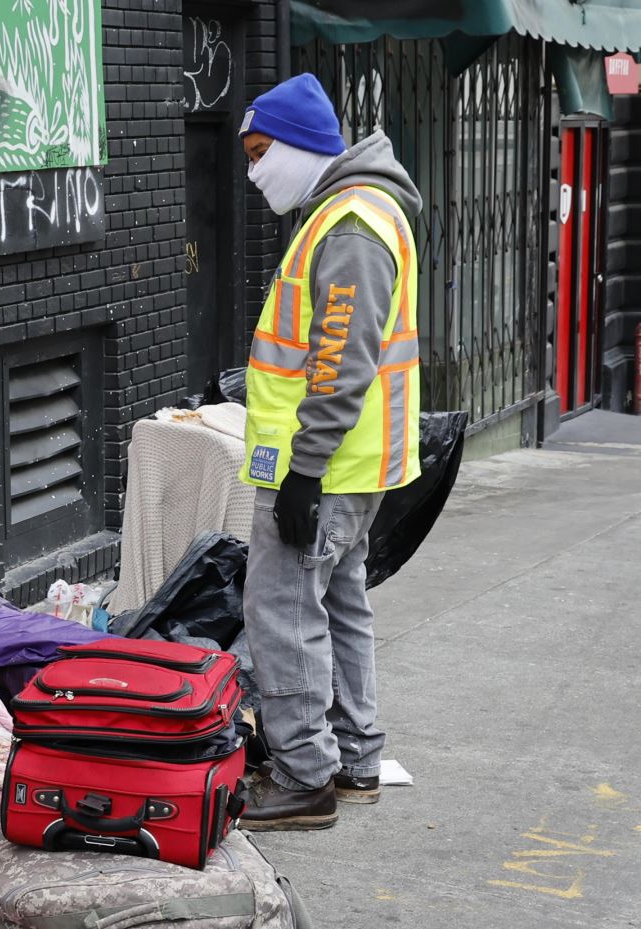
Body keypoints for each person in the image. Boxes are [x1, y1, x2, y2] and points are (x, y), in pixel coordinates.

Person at [233, 74, 423, 831]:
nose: (252, 172)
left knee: (281, 607)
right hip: (351, 458)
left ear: (302, 145)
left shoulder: (348, 224)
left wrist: (303, 471)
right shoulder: (351, 213)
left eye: (259, 152)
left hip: (327, 463)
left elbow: (341, 361)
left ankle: (303, 776)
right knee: (342, 603)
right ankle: (354, 760)